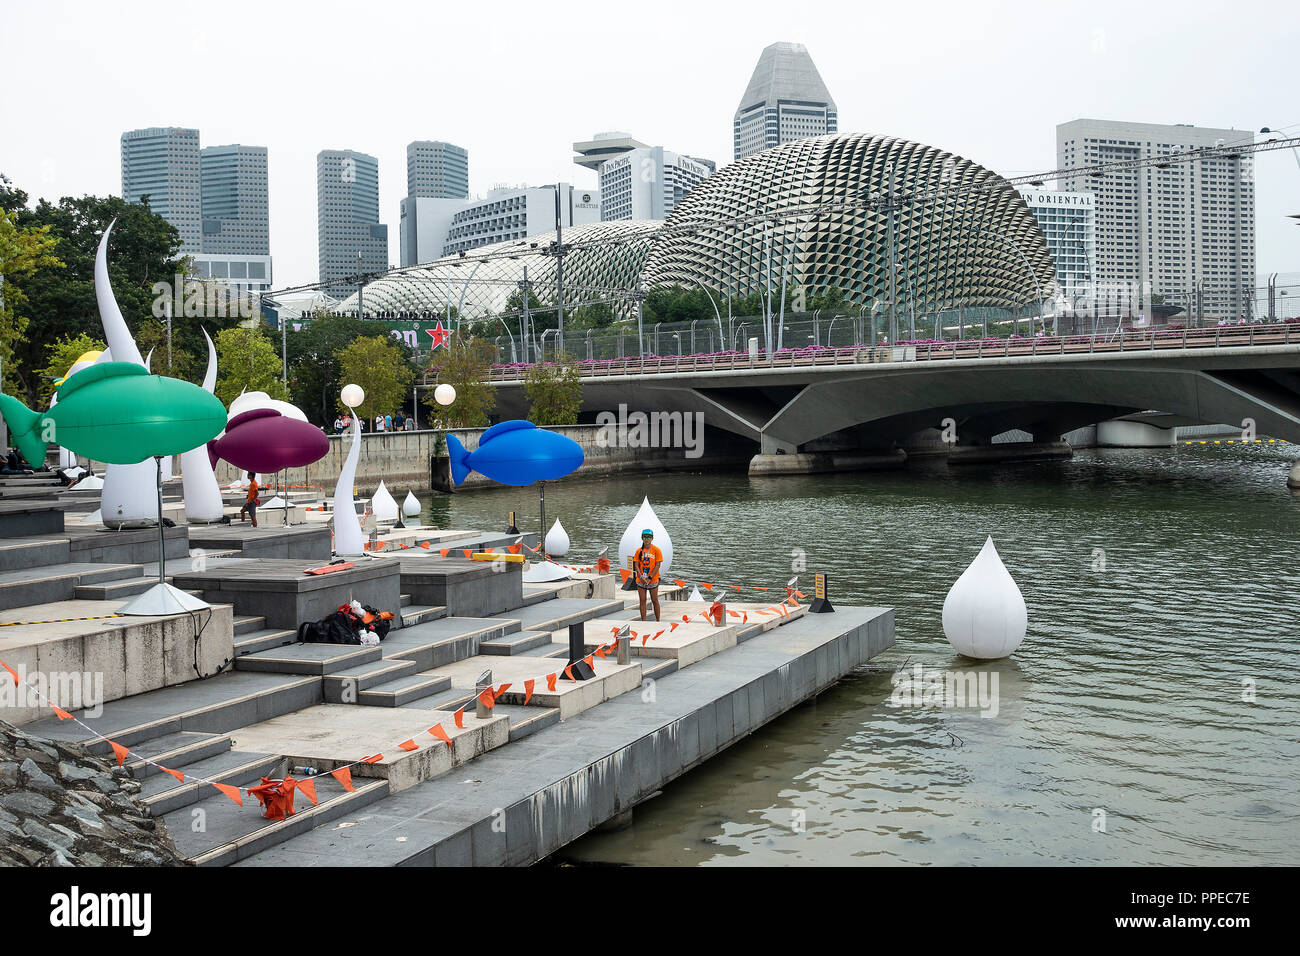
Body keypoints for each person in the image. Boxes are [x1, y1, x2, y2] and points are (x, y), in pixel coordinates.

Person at [634, 529, 663, 622]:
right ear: (642, 538)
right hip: (641, 579)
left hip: (653, 579)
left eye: (648, 537)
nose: (646, 539)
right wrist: (641, 576)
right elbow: (636, 565)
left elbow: (658, 565)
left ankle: (658, 620)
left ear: (652, 538)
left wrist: (650, 577)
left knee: (654, 600)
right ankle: (644, 621)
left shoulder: (656, 550)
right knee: (642, 601)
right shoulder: (639, 551)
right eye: (644, 537)